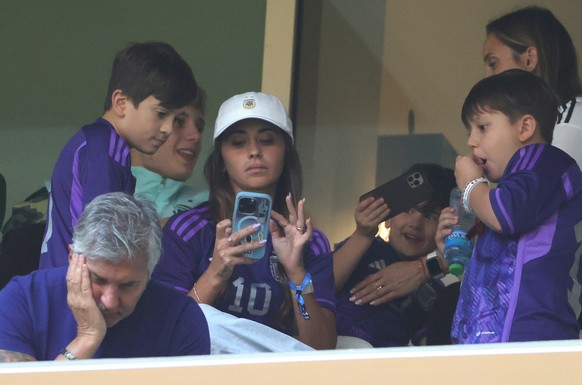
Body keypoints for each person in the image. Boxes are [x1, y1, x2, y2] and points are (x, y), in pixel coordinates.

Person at [153, 91, 337, 350]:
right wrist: (215, 272)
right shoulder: (188, 230)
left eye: (267, 140)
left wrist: (296, 272)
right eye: (239, 143)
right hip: (205, 372)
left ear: (286, 153)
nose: (254, 152)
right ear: (222, 162)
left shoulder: (310, 242)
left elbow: (321, 350)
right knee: (207, 321)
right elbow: (165, 336)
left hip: (281, 376)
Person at [439, 69, 582, 344]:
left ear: (525, 128)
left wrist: (471, 186)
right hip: (492, 338)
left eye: (482, 127)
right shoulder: (508, 189)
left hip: (529, 335)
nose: (471, 141)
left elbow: (508, 215)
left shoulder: (545, 162)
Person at [39, 41, 199, 269]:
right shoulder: (106, 150)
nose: (168, 128)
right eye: (161, 114)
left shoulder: (96, 142)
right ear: (121, 103)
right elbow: (106, 242)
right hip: (75, 285)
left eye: (175, 119)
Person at [0, 192, 210, 362]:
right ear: (73, 257)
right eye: (98, 279)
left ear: (149, 272)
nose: (109, 302)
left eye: (128, 285)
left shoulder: (181, 318)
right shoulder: (22, 299)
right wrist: (86, 339)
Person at [333, 163, 456, 347]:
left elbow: (430, 343)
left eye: (431, 216)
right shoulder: (365, 248)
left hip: (383, 368)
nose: (415, 223)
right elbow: (319, 289)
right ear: (388, 217)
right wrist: (363, 234)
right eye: (408, 210)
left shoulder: (432, 289)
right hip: (328, 355)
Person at [482, 6, 582, 166]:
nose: (486, 77)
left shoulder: (571, 120)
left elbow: (538, 190)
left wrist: (473, 183)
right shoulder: (540, 130)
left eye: (493, 63)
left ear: (530, 59)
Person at [131, 89, 209, 225]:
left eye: (199, 127)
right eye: (178, 121)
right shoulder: (99, 191)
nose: (196, 136)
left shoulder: (210, 205)